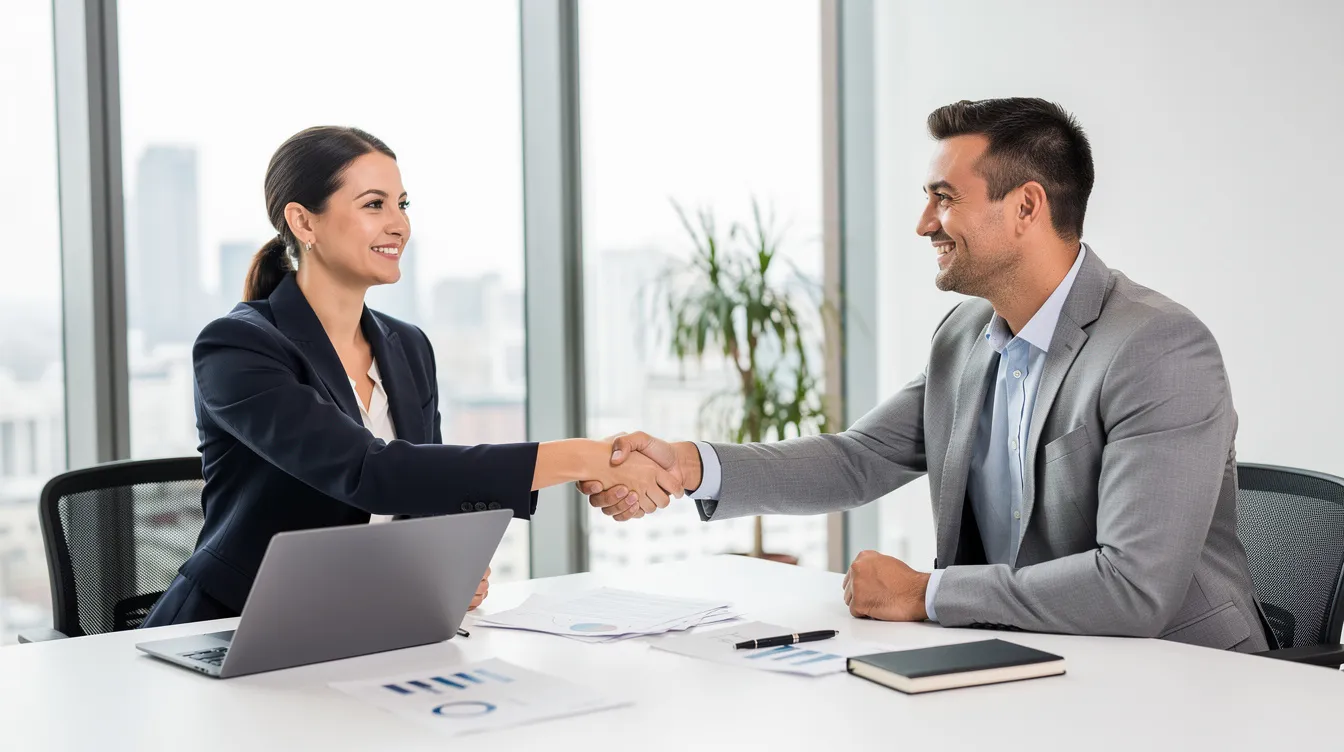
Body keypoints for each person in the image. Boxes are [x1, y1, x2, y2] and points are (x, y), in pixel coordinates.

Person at [582, 98, 1267, 652]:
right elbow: (858, 460)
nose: (923, 224)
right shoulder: (966, 337)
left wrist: (924, 594)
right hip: (1043, 663)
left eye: (944, 198)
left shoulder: (1158, 349)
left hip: (1187, 677)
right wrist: (688, 466)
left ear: (1026, 207)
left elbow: (1132, 588)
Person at [143, 126, 677, 627]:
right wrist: (586, 457)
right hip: (234, 627)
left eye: (401, 204)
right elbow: (369, 472)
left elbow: (426, 490)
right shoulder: (238, 345)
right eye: (373, 205)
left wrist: (445, 571)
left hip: (365, 624)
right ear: (305, 223)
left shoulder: (407, 347)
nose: (399, 223)